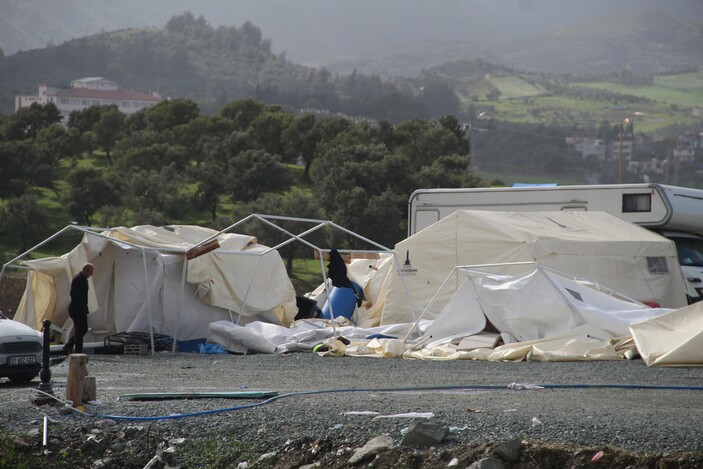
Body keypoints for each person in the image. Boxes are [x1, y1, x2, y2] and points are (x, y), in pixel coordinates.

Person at [63, 263, 94, 354]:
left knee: (82, 329)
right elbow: (73, 294)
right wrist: (80, 305)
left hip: (81, 308)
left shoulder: (84, 279)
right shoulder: (78, 279)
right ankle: (77, 351)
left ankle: (69, 345)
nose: (91, 274)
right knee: (80, 330)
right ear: (86, 270)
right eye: (91, 272)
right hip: (77, 309)